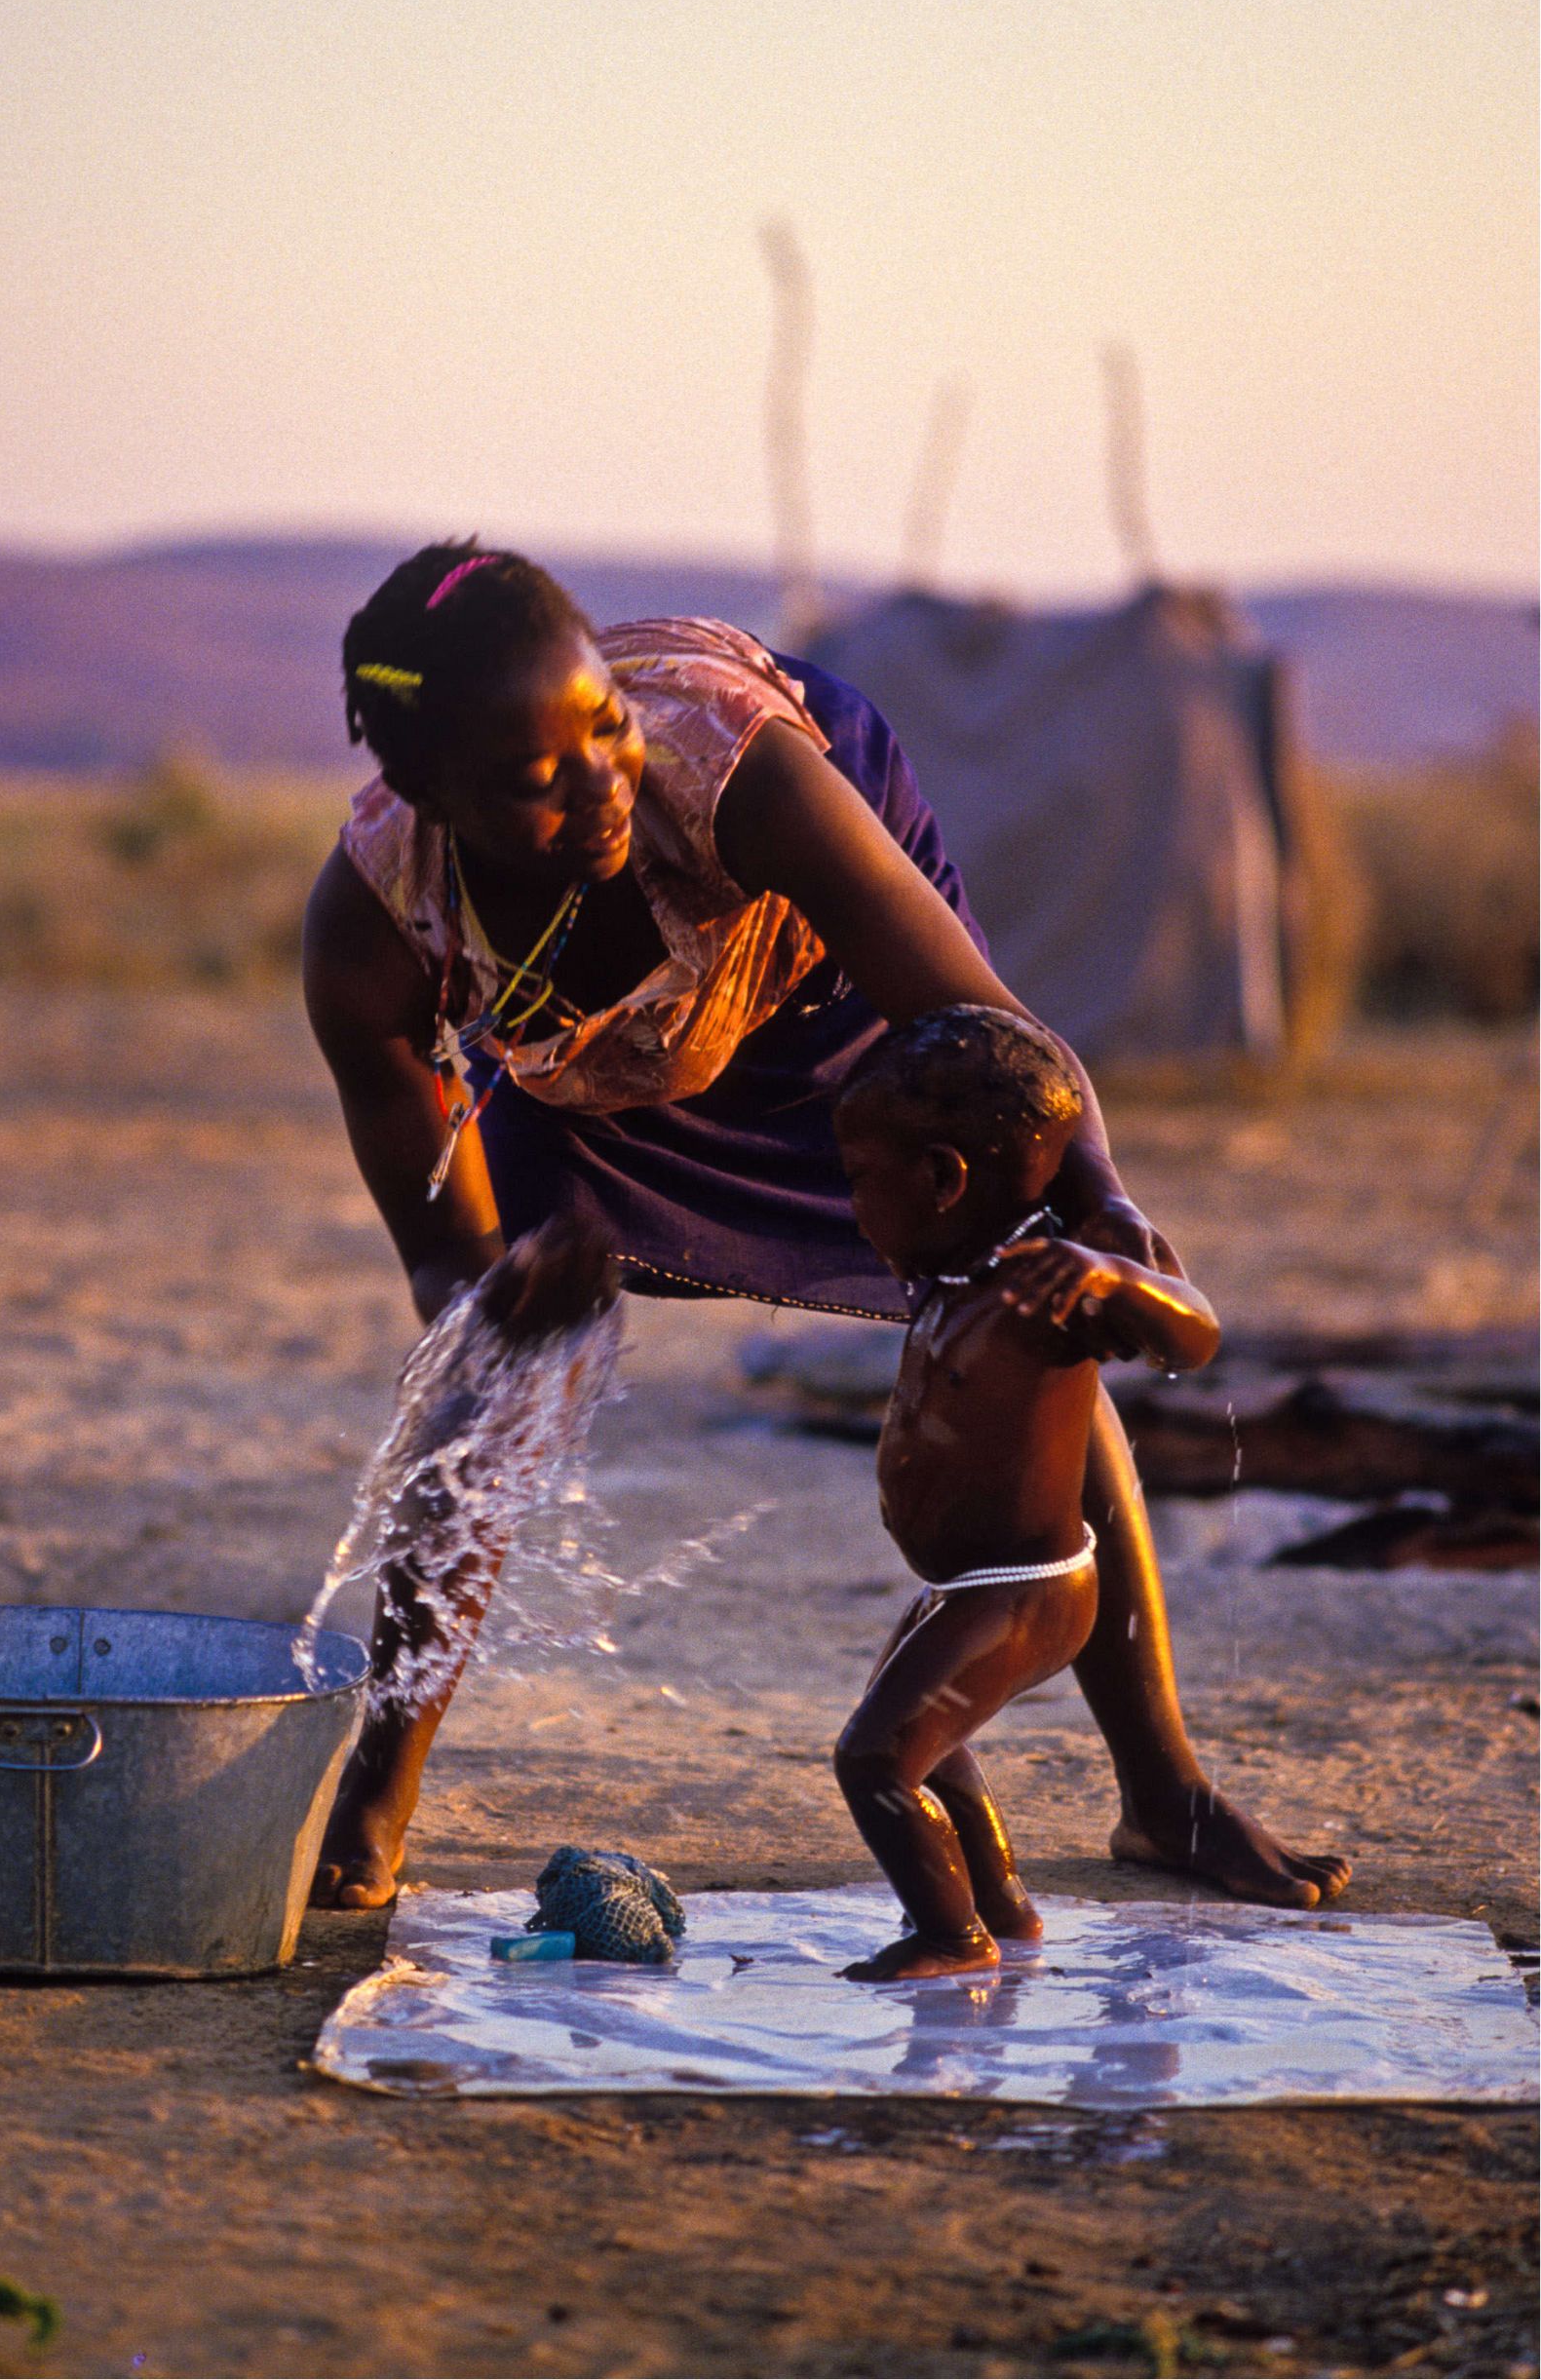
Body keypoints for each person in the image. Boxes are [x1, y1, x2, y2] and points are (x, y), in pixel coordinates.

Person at [301, 536, 1350, 1915]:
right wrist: (493, 1296)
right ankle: (375, 1799)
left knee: (1016, 1309)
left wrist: (1095, 1197)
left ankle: (1164, 1796)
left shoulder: (728, 763)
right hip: (584, 1072)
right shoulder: (377, 927)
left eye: (602, 726)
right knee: (481, 1393)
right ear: (424, 793)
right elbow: (444, 1257)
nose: (600, 779)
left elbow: (980, 1025)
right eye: (535, 780)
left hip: (823, 1001)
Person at [829, 1006, 1221, 1981]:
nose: (850, 1207)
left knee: (875, 1759)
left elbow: (1199, 1334)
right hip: (970, 1585)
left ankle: (949, 1936)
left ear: (940, 1179)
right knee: (922, 1735)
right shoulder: (944, 1271)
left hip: (1031, 1587)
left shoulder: (1040, 1295)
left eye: (859, 1182)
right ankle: (998, 1901)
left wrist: (1116, 1275)